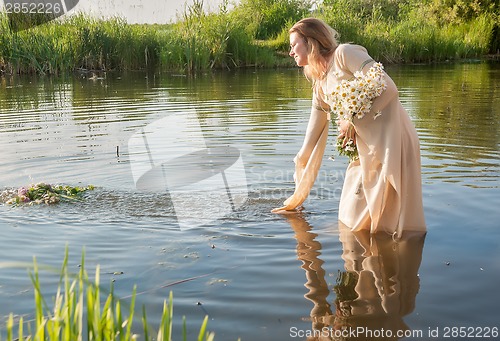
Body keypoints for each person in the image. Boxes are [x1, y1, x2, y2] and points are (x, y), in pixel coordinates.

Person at [272, 18, 426, 237]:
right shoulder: (320, 82)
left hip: (392, 141)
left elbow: (389, 88)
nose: (290, 52)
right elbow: (317, 121)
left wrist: (351, 120)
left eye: (293, 45)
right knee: (350, 216)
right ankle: (366, 265)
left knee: (389, 223)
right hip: (364, 151)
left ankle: (391, 264)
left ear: (311, 42)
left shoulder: (344, 54)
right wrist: (302, 157)